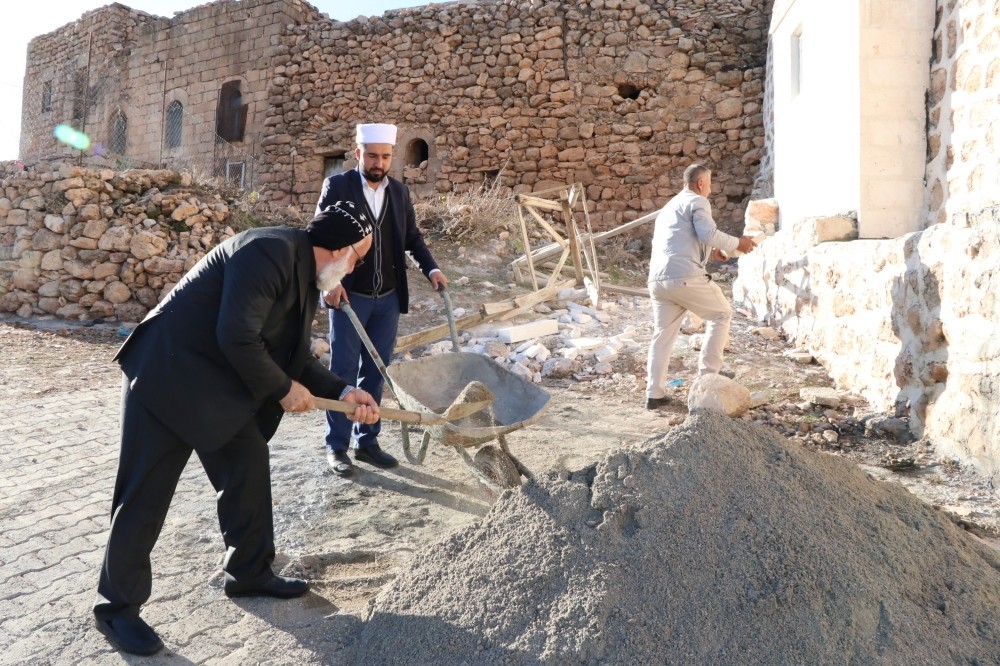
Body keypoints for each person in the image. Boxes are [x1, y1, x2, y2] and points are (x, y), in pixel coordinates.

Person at [93, 203, 381, 656]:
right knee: (144, 494)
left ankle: (249, 572)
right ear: (339, 249)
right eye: (357, 259)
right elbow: (237, 334)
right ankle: (117, 610)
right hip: (169, 373)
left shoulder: (304, 274)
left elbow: (295, 356)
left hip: (216, 382)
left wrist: (344, 392)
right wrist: (283, 389)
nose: (355, 269)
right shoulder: (266, 252)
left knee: (247, 462)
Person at [315, 122, 447, 476]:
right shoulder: (337, 186)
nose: (379, 162)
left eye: (386, 156)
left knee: (375, 372)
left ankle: (367, 442)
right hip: (349, 296)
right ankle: (337, 446)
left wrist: (431, 269)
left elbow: (413, 239)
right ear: (358, 153)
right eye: (372, 155)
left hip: (387, 298)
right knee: (342, 371)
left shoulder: (400, 194)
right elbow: (320, 237)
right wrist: (329, 282)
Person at [645, 163, 757, 410]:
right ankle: (708, 380)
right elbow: (708, 233)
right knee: (722, 314)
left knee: (662, 337)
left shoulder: (668, 208)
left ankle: (654, 394)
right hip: (685, 277)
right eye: (710, 183)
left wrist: (712, 253)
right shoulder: (698, 201)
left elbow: (682, 240)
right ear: (700, 184)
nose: (711, 189)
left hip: (658, 280)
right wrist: (737, 243)